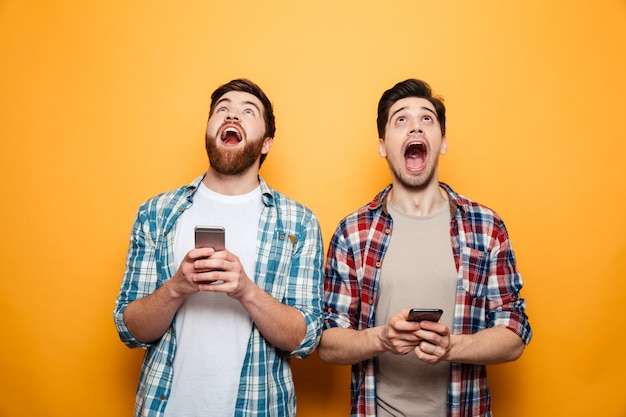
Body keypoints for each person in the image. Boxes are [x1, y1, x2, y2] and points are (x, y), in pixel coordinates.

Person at [318, 79, 532, 417]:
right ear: (383, 145)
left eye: (426, 119)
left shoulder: (486, 227)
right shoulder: (352, 233)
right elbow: (328, 342)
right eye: (401, 120)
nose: (415, 126)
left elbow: (516, 332)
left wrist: (452, 347)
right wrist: (382, 339)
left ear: (442, 142)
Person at [113, 78, 324, 417]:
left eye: (247, 111)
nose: (232, 116)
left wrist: (246, 291)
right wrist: (176, 288)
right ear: (209, 130)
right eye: (222, 109)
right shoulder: (156, 213)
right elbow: (130, 330)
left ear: (267, 143)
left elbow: (305, 340)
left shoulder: (298, 223)